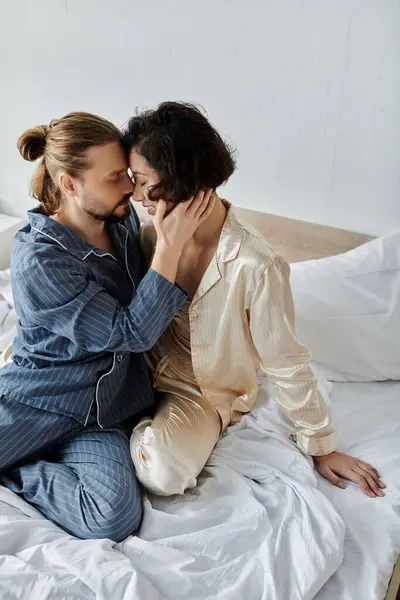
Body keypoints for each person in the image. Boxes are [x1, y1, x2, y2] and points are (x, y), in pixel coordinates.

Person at [122, 101, 386, 499]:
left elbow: (286, 361)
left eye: (141, 180)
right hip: (133, 366)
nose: (134, 192)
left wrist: (322, 446)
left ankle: (118, 430)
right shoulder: (148, 235)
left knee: (165, 474)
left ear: (180, 176)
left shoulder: (256, 265)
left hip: (199, 390)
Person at [0, 111, 214, 541]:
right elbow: (130, 331)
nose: (131, 189)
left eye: (128, 175)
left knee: (112, 518)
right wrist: (169, 248)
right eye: (115, 178)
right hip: (41, 399)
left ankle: (18, 469)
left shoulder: (121, 223)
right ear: (70, 185)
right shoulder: (38, 258)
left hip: (103, 412)